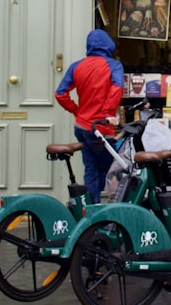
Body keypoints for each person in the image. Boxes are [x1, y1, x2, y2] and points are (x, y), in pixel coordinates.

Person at [54, 29, 126, 203]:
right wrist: (109, 113)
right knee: (108, 169)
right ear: (109, 45)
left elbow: (60, 94)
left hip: (82, 127)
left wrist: (77, 111)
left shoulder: (76, 66)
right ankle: (102, 210)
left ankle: (91, 209)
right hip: (101, 128)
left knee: (90, 168)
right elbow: (117, 89)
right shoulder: (114, 65)